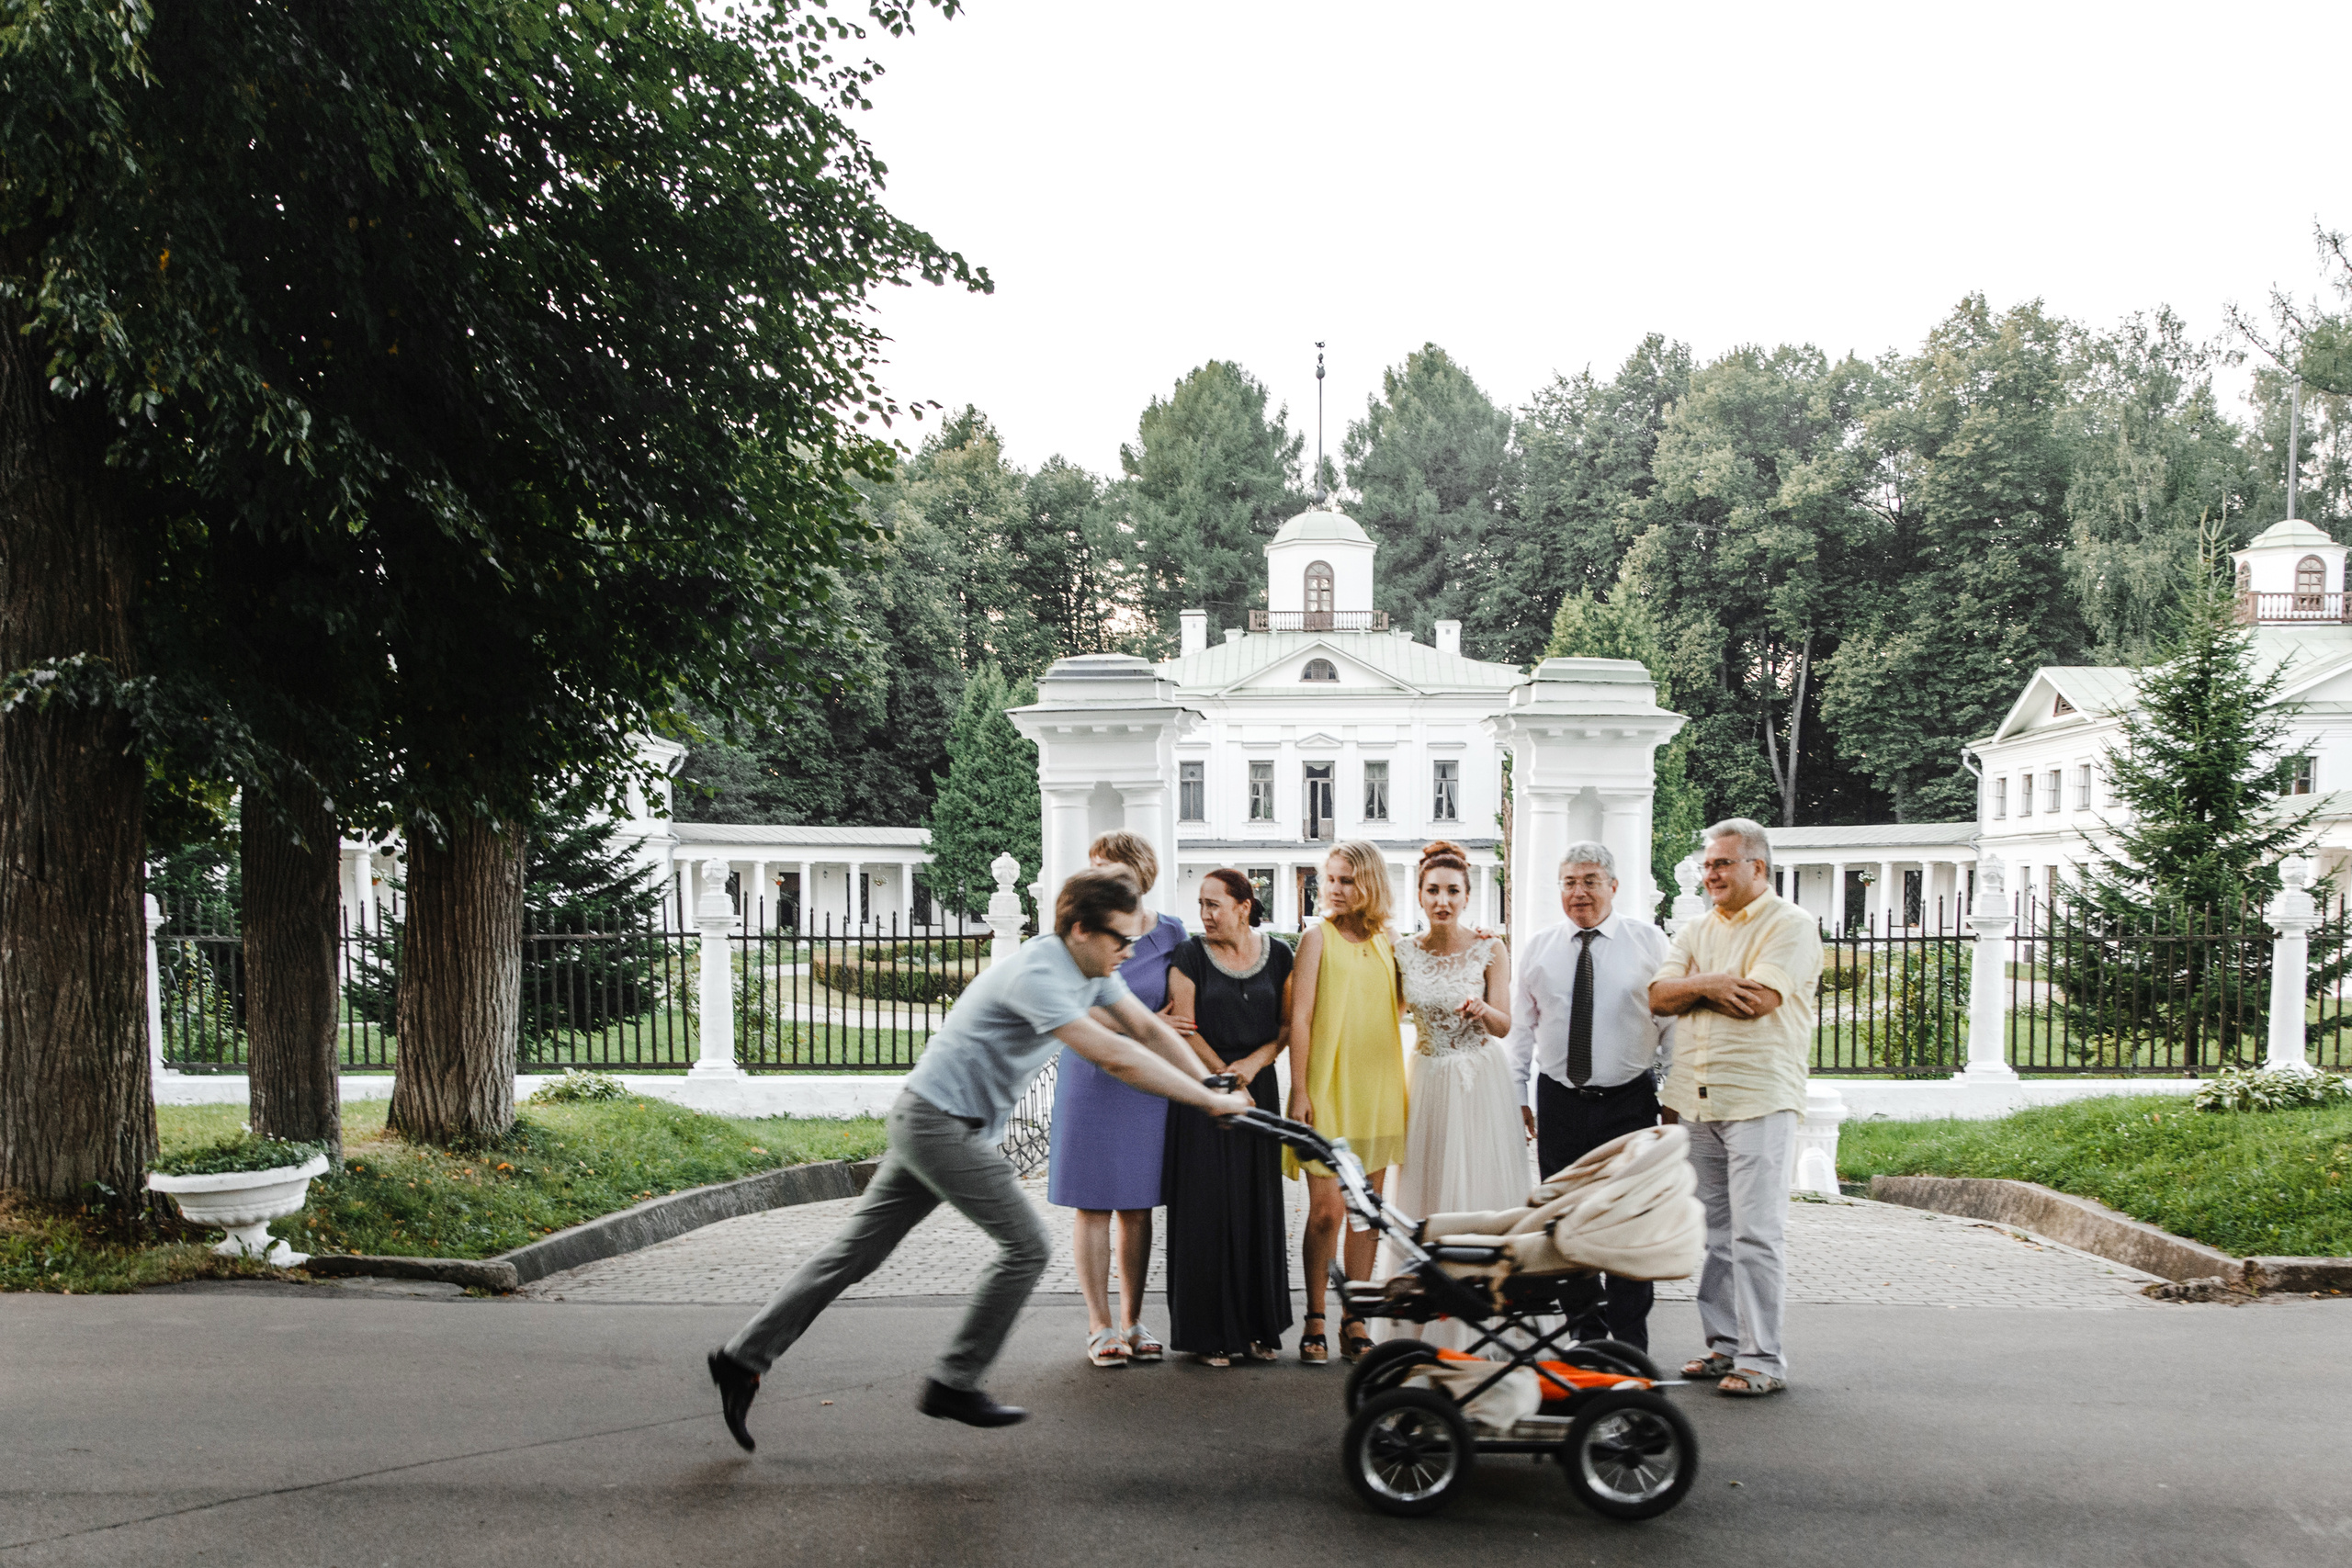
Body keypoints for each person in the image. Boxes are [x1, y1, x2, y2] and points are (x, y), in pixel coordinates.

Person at [707, 867, 1250, 1446]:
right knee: (1026, 1247)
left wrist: (1212, 1082)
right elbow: (1114, 1054)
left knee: (855, 1252)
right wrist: (1203, 1100)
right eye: (1119, 938)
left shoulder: (1091, 969)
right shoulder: (1041, 973)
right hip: (939, 1125)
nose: (1128, 949)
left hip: (936, 1119)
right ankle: (955, 1381)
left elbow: (1146, 1029)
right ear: (1082, 930)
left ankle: (742, 1358)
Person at [1647, 818, 1823, 1399]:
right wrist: (1714, 983)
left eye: (1723, 863)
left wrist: (1698, 987)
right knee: (1716, 1233)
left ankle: (1763, 1358)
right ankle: (1724, 1346)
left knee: (1757, 1236)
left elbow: (1758, 1001)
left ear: (1758, 867)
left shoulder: (1790, 926)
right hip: (1695, 1101)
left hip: (1758, 1099)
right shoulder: (1696, 927)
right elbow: (1658, 996)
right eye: (1708, 864)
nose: (1711, 873)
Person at [1506, 841, 1675, 1351]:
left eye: (1590, 881)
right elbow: (1522, 1029)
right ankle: (1584, 1336)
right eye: (1569, 882)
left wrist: (1671, 1099)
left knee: (1627, 1221)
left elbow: (1672, 1028)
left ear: (1614, 887)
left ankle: (1629, 1342)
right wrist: (1518, 1092)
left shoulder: (1649, 943)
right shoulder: (1539, 947)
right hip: (1560, 1101)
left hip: (1629, 1103)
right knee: (1564, 1221)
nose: (1579, 893)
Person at [1046, 831, 1190, 1369]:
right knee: (1092, 1202)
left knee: (1136, 1204)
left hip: (1147, 1083)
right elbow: (1080, 1002)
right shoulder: (1077, 932)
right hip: (1090, 1075)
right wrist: (1147, 1024)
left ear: (1136, 872)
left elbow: (1185, 1003)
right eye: (1093, 867)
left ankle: (1133, 1320)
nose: (1096, 875)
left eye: (1105, 866)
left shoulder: (1172, 934)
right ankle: (1098, 1324)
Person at [1380, 840, 1518, 1348]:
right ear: (1419, 894)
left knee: (1477, 1194)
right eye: (1433, 890)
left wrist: (1481, 1009)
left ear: (1467, 895)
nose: (1443, 900)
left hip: (1478, 1083)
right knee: (1427, 1194)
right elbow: (1387, 1010)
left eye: (1453, 891)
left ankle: (1482, 1323)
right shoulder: (1403, 951)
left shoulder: (1490, 948)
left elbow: (1505, 1025)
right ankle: (1421, 1322)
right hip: (1428, 1079)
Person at [1161, 868, 1295, 1366]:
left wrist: (1255, 1066)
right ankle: (1209, 1333)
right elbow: (1184, 1027)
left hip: (1258, 1085)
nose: (1204, 914)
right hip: (1204, 1090)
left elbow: (1286, 1025)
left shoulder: (1279, 953)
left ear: (1244, 906)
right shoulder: (1189, 954)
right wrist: (1226, 1078)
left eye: (1214, 904)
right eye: (1200, 904)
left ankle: (1260, 1328)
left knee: (1257, 1204)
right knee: (1207, 1209)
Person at [1285, 839, 1408, 1365]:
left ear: (1370, 883)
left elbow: (1404, 1006)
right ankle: (1315, 1315)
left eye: (1345, 879)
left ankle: (1354, 1319)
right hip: (1327, 1088)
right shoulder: (1317, 939)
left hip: (1378, 1088)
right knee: (1325, 1213)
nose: (1334, 888)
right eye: (1329, 878)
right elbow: (1302, 1018)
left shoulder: (1390, 941)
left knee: (1367, 1214)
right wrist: (1299, 1088)